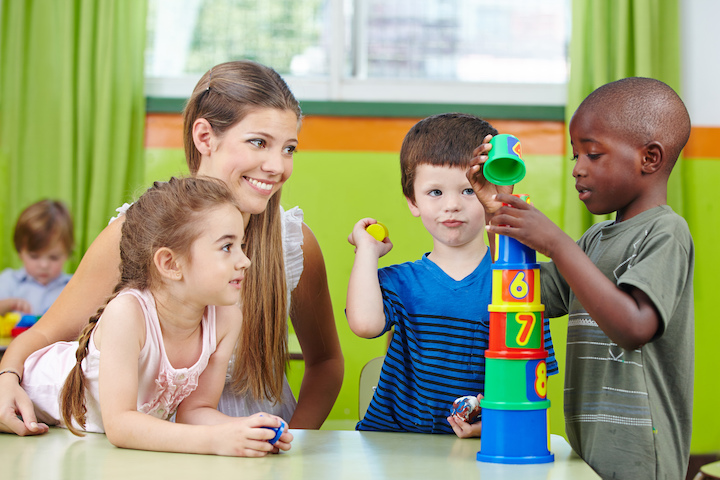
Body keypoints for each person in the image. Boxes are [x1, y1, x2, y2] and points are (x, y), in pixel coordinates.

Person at [0, 60, 344, 436]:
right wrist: (7, 377)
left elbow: (326, 362)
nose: (277, 166)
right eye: (259, 142)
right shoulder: (139, 233)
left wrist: (287, 439)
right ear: (204, 137)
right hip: (157, 442)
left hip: (256, 440)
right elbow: (45, 335)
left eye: (289, 148)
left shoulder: (293, 244)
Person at [474, 78, 693, 479]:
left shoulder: (666, 232)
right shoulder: (594, 240)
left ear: (650, 158)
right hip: (589, 450)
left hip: (640, 458)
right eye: (576, 155)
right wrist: (496, 212)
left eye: (592, 154)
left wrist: (557, 244)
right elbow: (524, 293)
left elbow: (634, 326)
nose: (577, 169)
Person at [18, 177, 293, 455]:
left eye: (241, 245)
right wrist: (215, 441)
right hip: (24, 400)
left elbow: (195, 411)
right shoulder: (128, 314)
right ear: (170, 263)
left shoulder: (226, 321)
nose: (245, 260)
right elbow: (120, 425)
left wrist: (246, 431)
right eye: (226, 247)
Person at [346, 113, 558, 437]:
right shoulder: (401, 281)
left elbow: (527, 380)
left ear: (490, 194)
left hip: (474, 449)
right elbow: (364, 324)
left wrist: (491, 421)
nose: (452, 206)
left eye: (468, 191)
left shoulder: (515, 285)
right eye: (435, 192)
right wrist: (366, 251)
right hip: (394, 442)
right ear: (412, 201)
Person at [0, 199, 74, 316]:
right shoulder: (8, 281)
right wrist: (8, 305)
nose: (44, 265)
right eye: (34, 257)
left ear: (67, 253)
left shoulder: (73, 286)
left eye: (54, 257)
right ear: (20, 252)